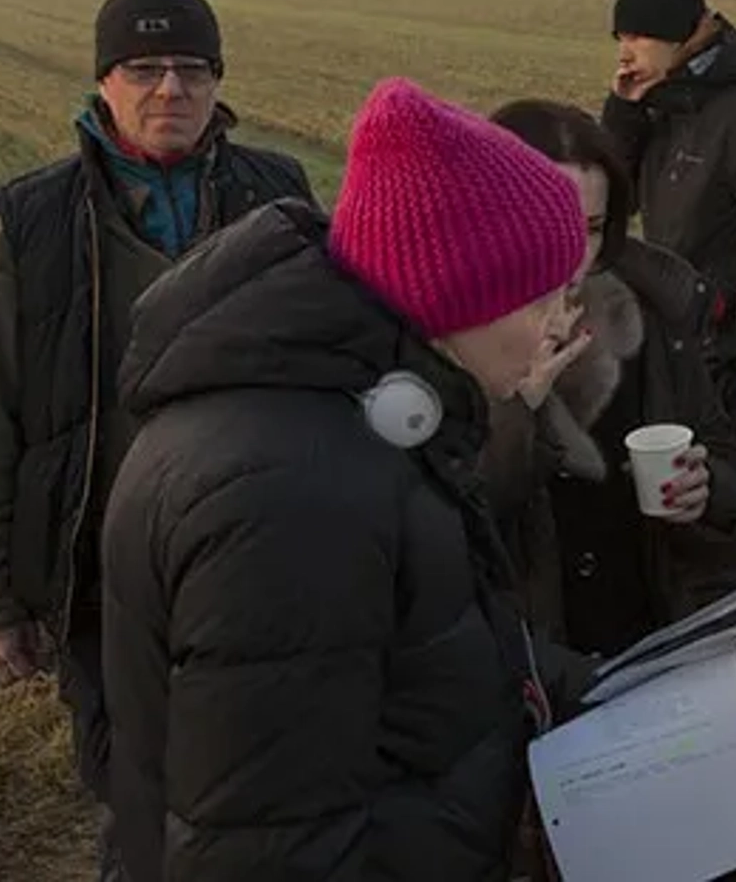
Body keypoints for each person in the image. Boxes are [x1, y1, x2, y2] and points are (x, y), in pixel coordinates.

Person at [99, 78, 592, 882]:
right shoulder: (289, 498)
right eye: (543, 294)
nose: (557, 324)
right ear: (458, 293)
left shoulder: (354, 420)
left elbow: (417, 666)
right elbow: (269, 850)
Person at [0, 0, 314, 880]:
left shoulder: (282, 197)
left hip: (258, 555)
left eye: (191, 68)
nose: (170, 90)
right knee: (136, 794)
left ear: (218, 82)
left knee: (265, 775)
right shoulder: (32, 227)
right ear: (104, 81)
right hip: (102, 577)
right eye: (143, 68)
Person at [485, 99, 736, 882]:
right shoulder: (453, 341)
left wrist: (709, 490)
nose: (572, 256)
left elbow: (722, 458)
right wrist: (524, 408)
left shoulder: (658, 314)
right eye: (548, 226)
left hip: (657, 665)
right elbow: (453, 520)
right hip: (532, 696)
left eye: (594, 228)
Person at [601, 0, 736, 438]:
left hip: (730, 349)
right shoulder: (658, 104)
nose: (624, 53)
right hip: (674, 336)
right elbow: (611, 202)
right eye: (620, 38)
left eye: (637, 37)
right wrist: (624, 111)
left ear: (680, 36)